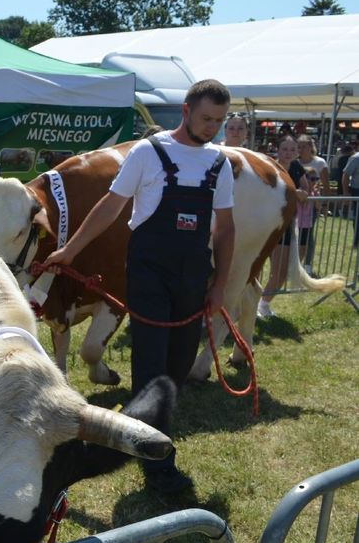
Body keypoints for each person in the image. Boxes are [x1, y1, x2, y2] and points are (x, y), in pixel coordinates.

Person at [43, 79, 236, 494]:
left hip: (192, 275)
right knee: (150, 366)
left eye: (219, 121)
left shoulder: (218, 163)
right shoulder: (149, 153)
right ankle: (156, 459)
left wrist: (219, 285)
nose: (212, 128)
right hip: (148, 274)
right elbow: (109, 207)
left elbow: (224, 229)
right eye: (206, 119)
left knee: (178, 365)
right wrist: (71, 251)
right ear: (186, 111)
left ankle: (148, 437)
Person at [259, 136, 313, 318]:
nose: (288, 153)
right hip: (273, 224)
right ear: (278, 150)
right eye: (285, 149)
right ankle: (255, 304)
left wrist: (304, 192)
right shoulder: (271, 167)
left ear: (297, 151)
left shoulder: (297, 167)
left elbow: (306, 190)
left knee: (284, 271)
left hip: (293, 224)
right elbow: (268, 193)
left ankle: (263, 304)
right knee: (270, 270)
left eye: (292, 149)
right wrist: (293, 193)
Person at [295, 135, 328, 269]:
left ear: (311, 147)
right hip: (294, 204)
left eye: (304, 146)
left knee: (308, 234)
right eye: (299, 146)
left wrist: (324, 205)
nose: (301, 149)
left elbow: (326, 185)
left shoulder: (320, 163)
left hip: (311, 204)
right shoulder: (294, 162)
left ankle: (307, 264)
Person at [342, 145, 359, 247]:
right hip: (357, 191)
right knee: (358, 218)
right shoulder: (356, 158)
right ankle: (356, 242)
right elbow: (346, 176)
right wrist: (346, 193)